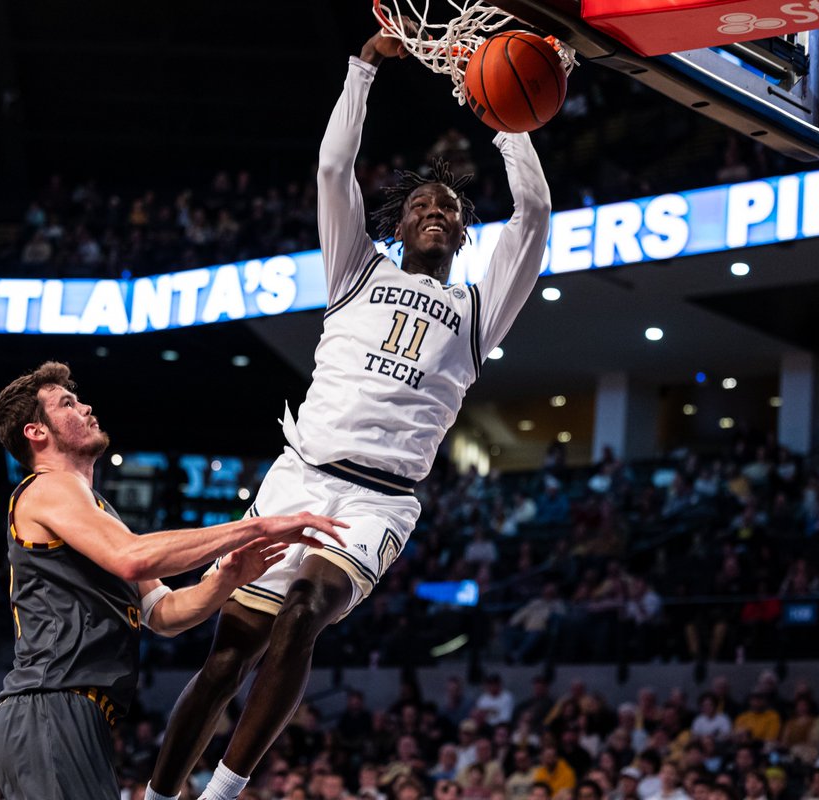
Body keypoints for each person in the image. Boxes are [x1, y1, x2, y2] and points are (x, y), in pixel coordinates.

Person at [146, 21, 553, 800]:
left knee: (305, 609)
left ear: (465, 233)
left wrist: (510, 124)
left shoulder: (477, 309)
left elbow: (531, 217)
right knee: (228, 657)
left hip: (378, 500)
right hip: (299, 475)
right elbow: (334, 166)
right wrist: (363, 69)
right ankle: (158, 795)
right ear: (395, 224)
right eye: (422, 205)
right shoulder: (354, 270)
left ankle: (223, 793)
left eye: (451, 209)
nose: (437, 212)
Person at [0, 362, 346, 800]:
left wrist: (227, 579)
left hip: (74, 711)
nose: (86, 406)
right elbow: (133, 558)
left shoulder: (97, 514)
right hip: (49, 703)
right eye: (67, 403)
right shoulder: (47, 488)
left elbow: (165, 613)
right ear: (36, 433)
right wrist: (258, 526)